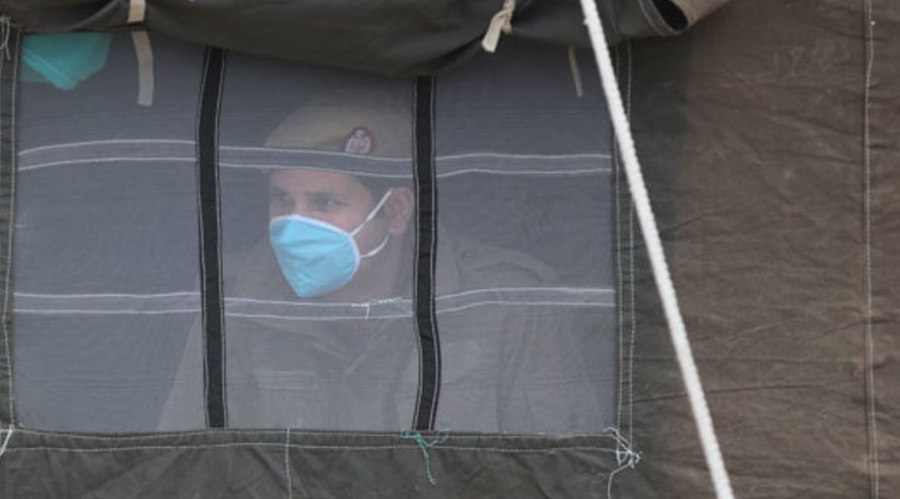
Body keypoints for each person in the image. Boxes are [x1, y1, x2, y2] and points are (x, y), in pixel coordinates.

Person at [159, 89, 608, 433]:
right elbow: (185, 470)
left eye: (325, 203)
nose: (295, 225)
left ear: (395, 211)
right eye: (281, 199)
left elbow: (559, 486)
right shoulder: (235, 301)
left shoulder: (507, 306)